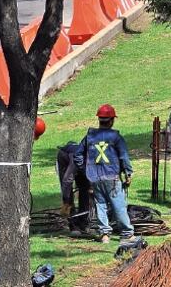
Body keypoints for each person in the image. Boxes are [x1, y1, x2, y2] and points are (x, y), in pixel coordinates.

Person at [75, 104, 135, 244]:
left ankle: (104, 235)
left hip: (94, 178)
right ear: (112, 120)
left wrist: (86, 170)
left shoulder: (90, 136)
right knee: (118, 205)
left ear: (99, 120)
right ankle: (127, 234)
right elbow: (124, 156)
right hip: (112, 177)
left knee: (100, 205)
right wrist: (128, 173)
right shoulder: (116, 137)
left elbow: (78, 155)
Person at [57, 141, 92, 234]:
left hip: (80, 163)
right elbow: (67, 181)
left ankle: (83, 224)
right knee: (68, 191)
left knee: (85, 189)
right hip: (65, 158)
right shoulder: (76, 159)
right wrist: (66, 202)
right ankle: (73, 225)